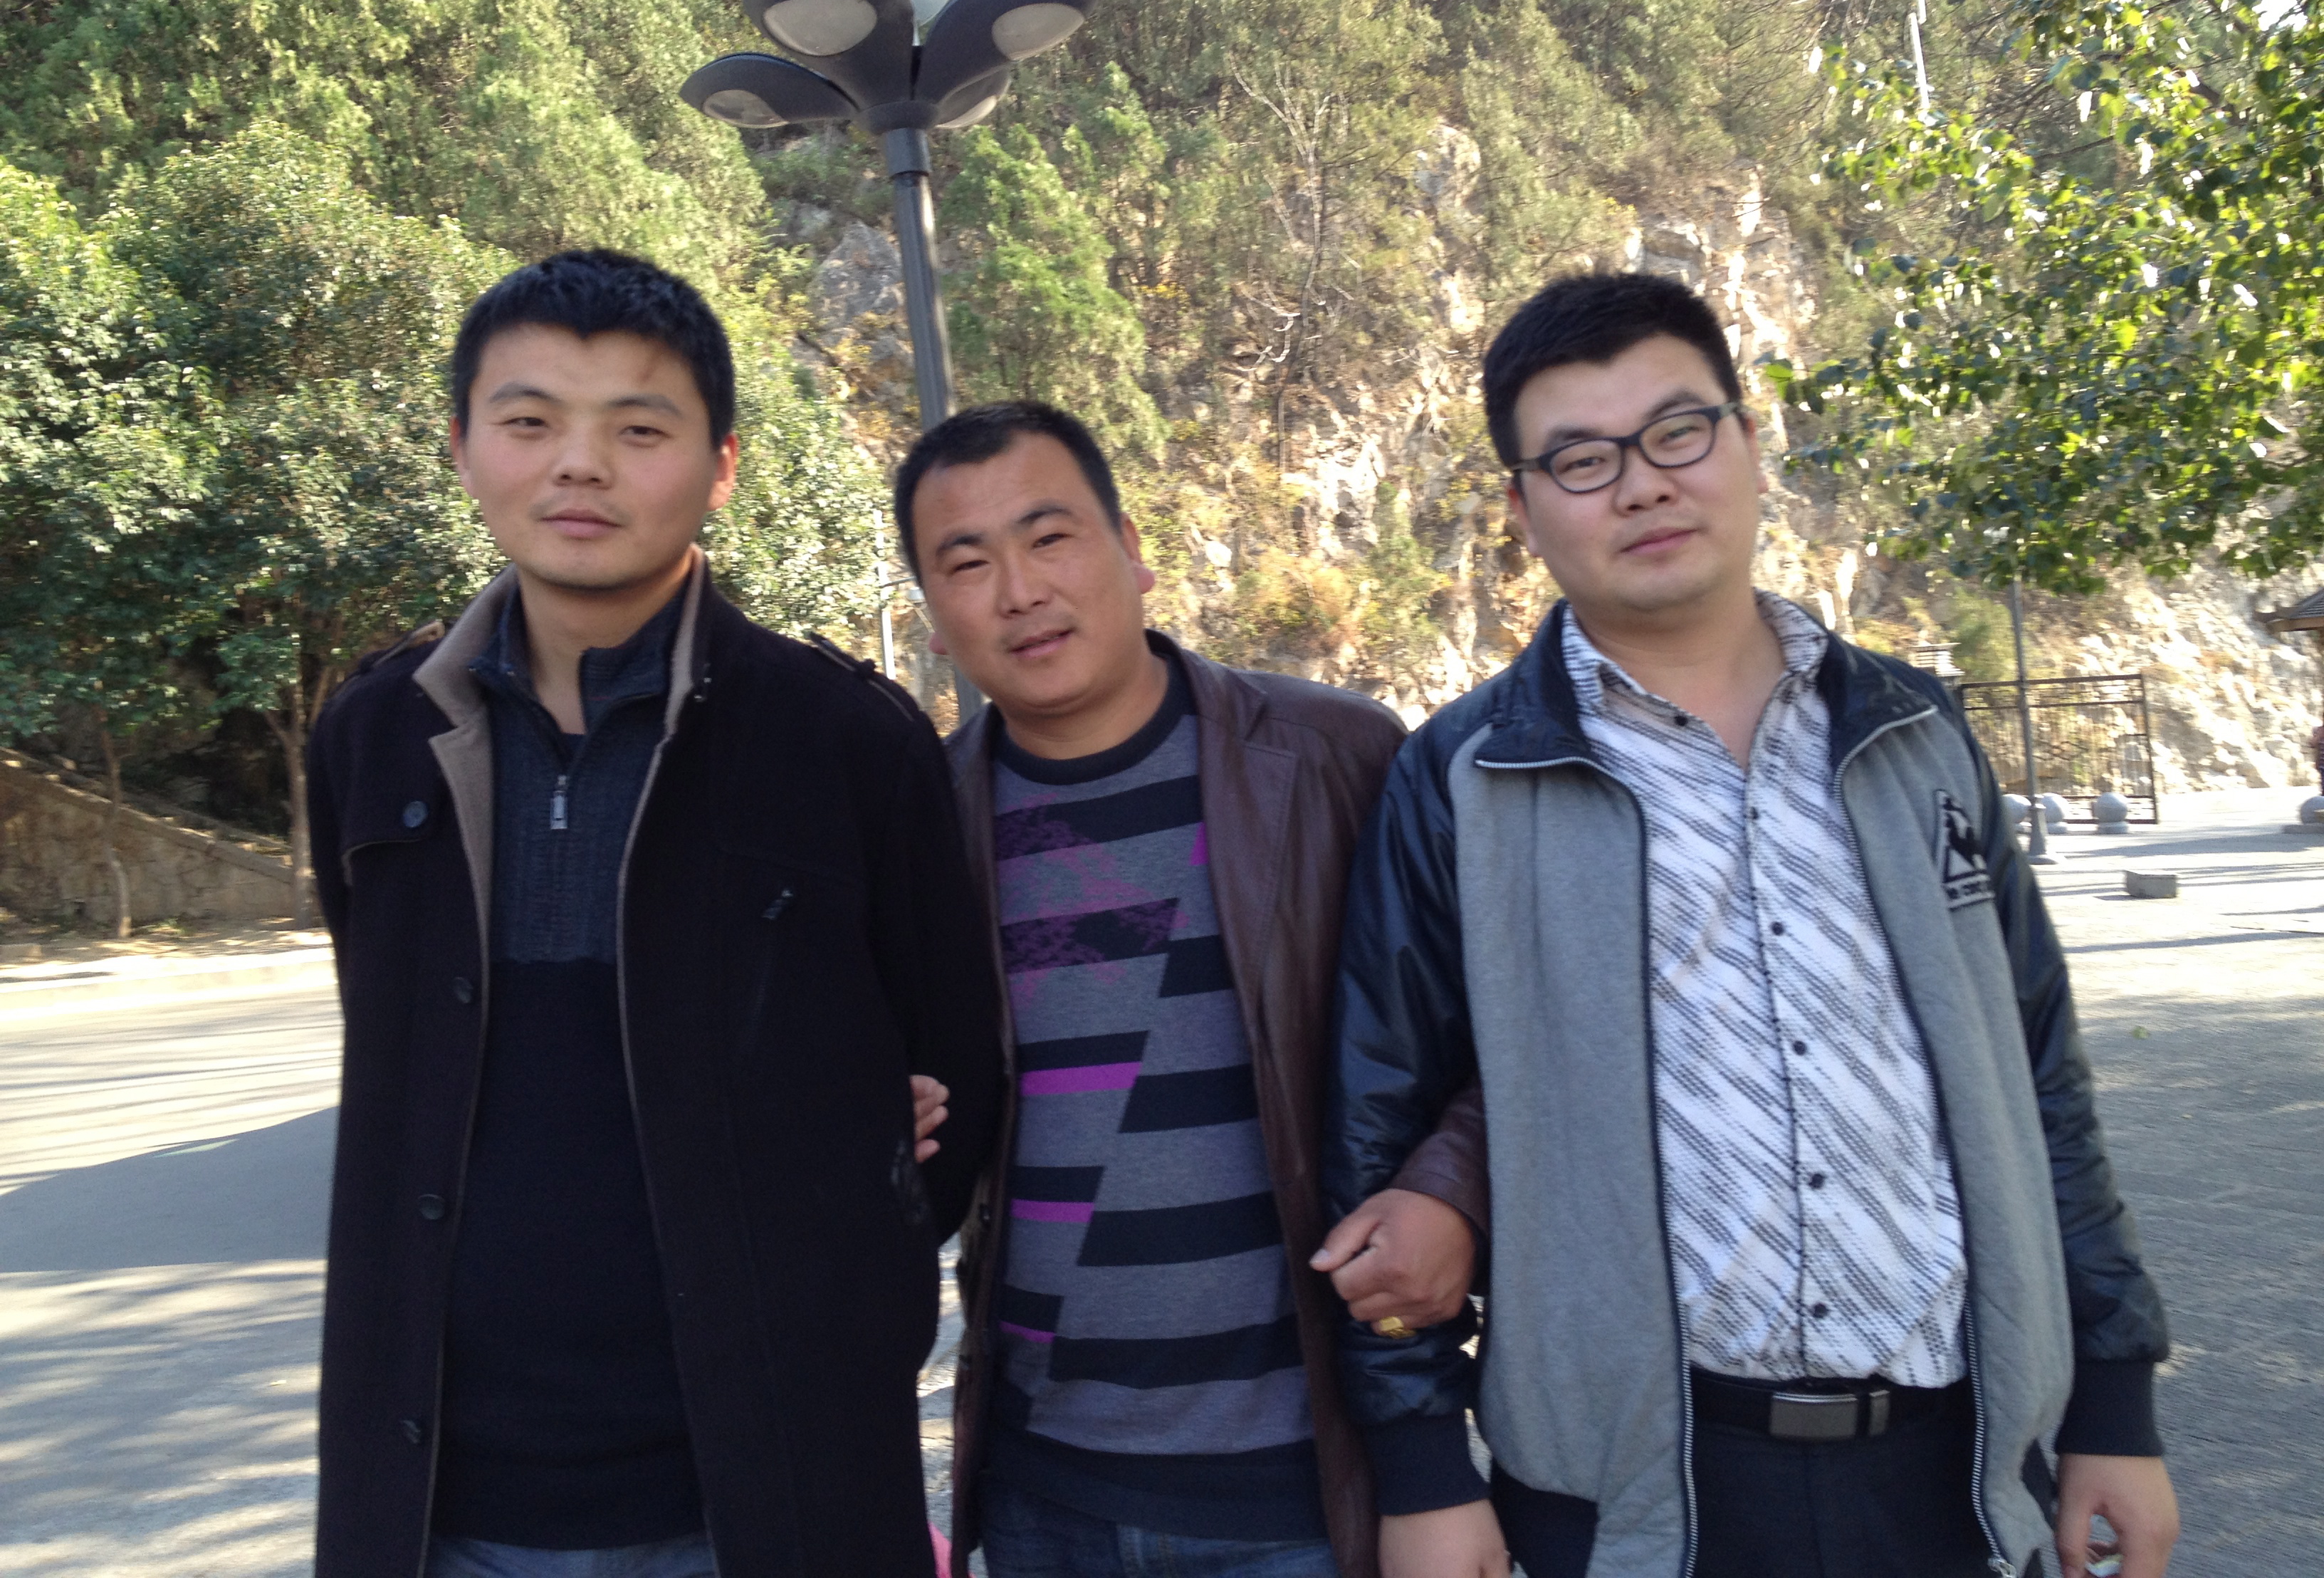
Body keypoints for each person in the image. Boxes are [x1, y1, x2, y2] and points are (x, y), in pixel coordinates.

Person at [1324, 272, 2178, 1578]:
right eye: (1582, 460)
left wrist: (2114, 1402)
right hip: (1635, 1505)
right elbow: (1379, 1129)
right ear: (1522, 509)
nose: (1643, 486)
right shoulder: (1465, 780)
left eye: (1679, 431)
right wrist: (1423, 1468)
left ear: (1748, 442)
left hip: (1952, 1475)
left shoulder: (1915, 737)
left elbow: (2039, 1072)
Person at [305, 250, 1004, 1578]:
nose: (580, 466)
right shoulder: (373, 736)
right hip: (444, 1503)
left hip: (768, 1492)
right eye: (530, 421)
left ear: (720, 466)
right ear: (462, 446)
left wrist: (843, 1196)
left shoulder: (842, 740)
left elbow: (951, 1078)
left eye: (638, 429)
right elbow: (398, 1057)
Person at [895, 402, 1495, 1578]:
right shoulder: (919, 822)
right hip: (1044, 1494)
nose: (1019, 591)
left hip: (1300, 1486)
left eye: (1050, 538)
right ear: (932, 613)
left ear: (1133, 551)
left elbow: (1497, 1038)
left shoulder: (1336, 758)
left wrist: (1453, 1195)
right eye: (966, 564)